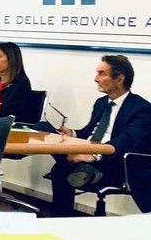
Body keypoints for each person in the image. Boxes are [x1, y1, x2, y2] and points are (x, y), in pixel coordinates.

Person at [49, 55, 151, 216]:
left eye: (101, 73)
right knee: (43, 129)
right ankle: (80, 170)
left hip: (112, 163)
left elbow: (127, 140)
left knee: (61, 170)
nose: (95, 79)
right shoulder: (101, 103)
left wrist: (94, 155)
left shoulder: (141, 108)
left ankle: (82, 171)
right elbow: (90, 132)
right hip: (88, 154)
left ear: (119, 79)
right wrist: (72, 133)